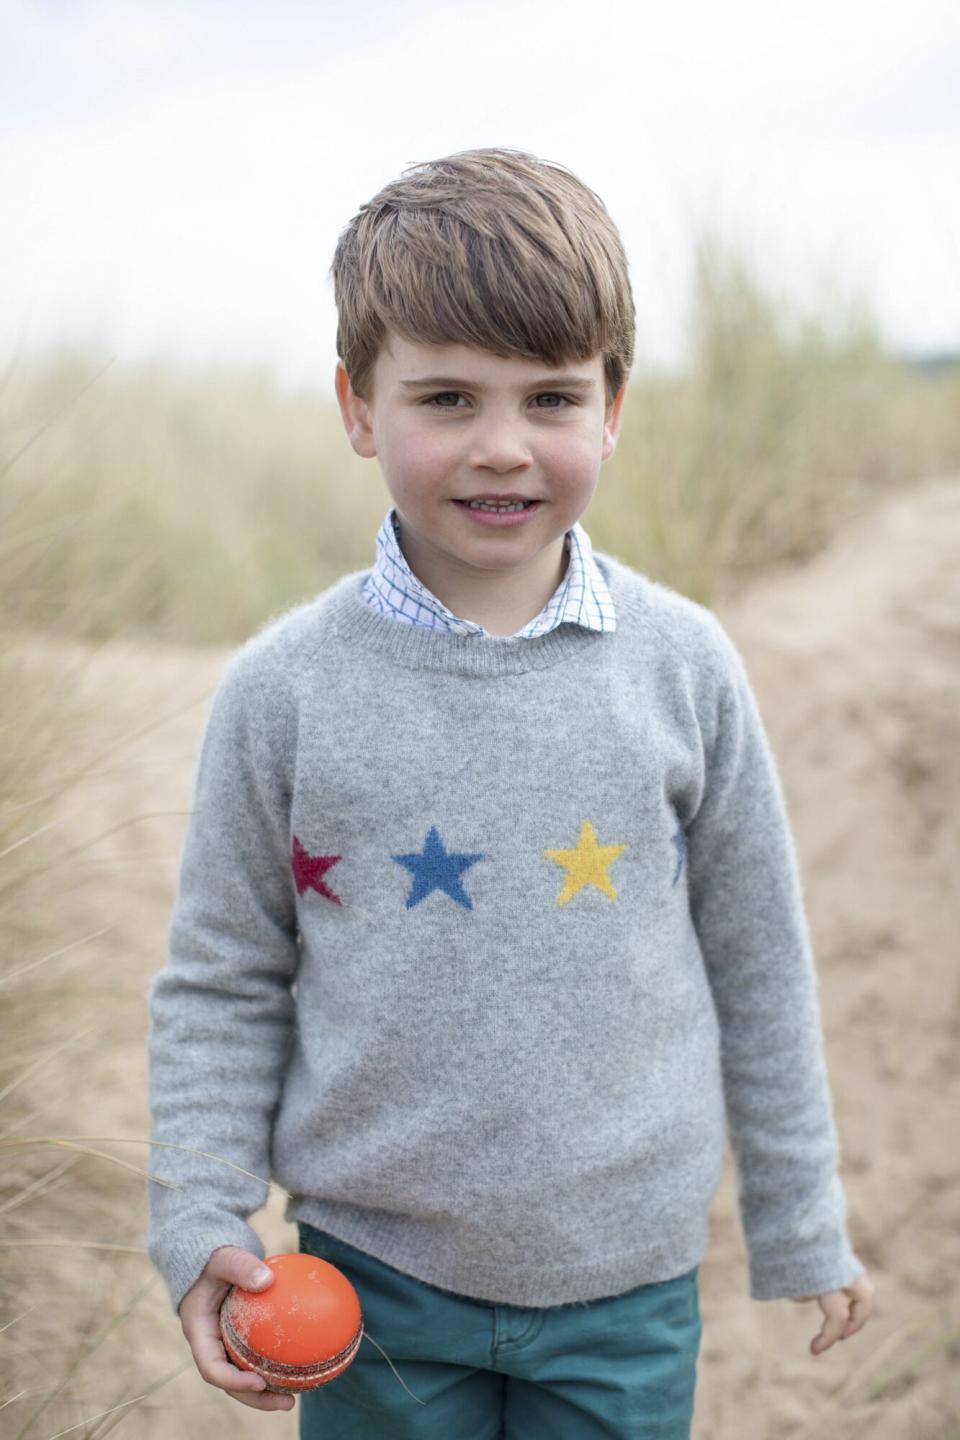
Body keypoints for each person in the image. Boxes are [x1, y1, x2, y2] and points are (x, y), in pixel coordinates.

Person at [146, 146, 874, 1439]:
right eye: (444, 398)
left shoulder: (684, 665)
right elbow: (222, 971)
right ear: (357, 407)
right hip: (368, 1278)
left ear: (613, 408)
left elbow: (758, 956)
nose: (502, 448)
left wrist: (799, 1214)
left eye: (550, 397)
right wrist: (203, 1212)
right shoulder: (283, 691)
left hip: (625, 1282)